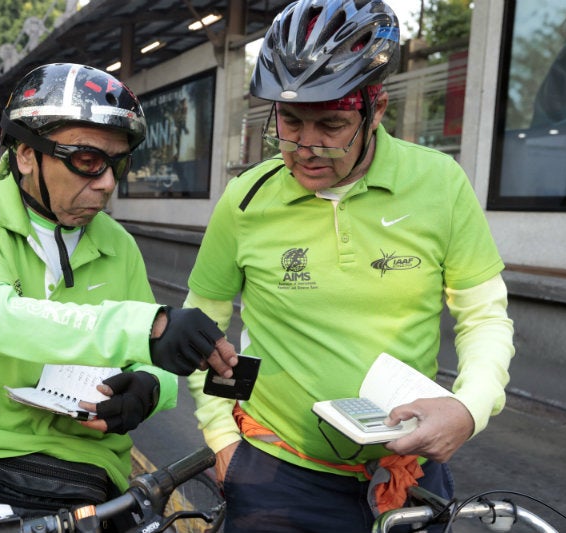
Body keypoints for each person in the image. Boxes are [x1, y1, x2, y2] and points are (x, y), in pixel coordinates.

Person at [183, 1, 516, 532]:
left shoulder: (439, 183)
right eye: (290, 121)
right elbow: (200, 325)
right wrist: (223, 439)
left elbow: (484, 315)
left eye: (332, 125)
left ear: (376, 107)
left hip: (406, 474)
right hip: (276, 473)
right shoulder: (245, 199)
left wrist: (469, 409)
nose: (306, 147)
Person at [0, 63, 237, 533]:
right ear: (25, 155)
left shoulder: (118, 242)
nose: (107, 183)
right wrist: (150, 328)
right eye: (86, 159)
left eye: (117, 163)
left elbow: (153, 365)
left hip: (88, 469)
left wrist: (149, 389)